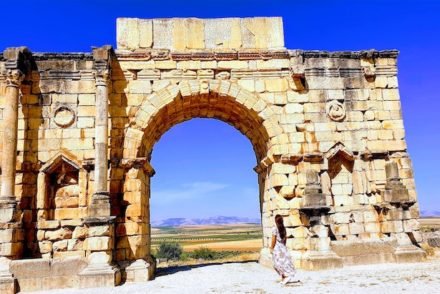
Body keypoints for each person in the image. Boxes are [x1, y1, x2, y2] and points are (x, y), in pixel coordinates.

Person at [270, 214, 300, 285]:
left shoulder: (275, 228)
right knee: (283, 263)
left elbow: (273, 239)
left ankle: (286, 276)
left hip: (277, 248)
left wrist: (271, 247)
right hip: (283, 247)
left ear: (276, 221)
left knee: (276, 264)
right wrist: (284, 246)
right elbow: (285, 239)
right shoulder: (283, 228)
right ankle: (283, 278)